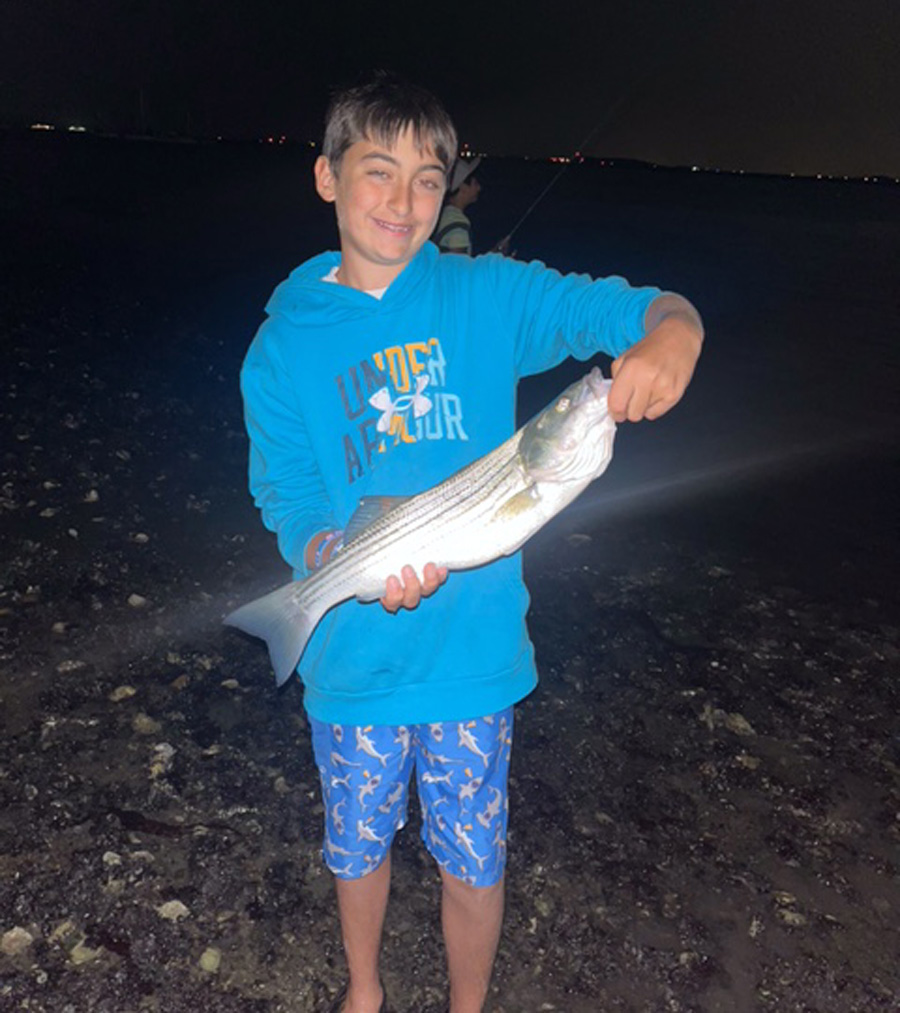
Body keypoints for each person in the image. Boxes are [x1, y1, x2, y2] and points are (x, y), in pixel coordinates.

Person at [239, 71, 703, 1013]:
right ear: (326, 178)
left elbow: (629, 311)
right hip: (354, 662)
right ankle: (364, 992)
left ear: (448, 188)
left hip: (476, 661)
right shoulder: (282, 347)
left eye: (426, 178)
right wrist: (326, 554)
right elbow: (284, 491)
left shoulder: (487, 295)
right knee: (357, 845)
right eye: (377, 172)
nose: (402, 202)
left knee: (471, 859)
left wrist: (674, 333)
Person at [432, 156, 482, 254]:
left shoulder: (441, 213)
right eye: (475, 183)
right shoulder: (458, 221)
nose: (479, 188)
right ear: (463, 187)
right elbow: (460, 267)